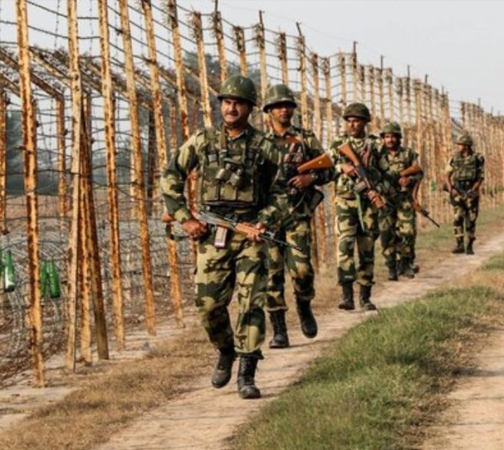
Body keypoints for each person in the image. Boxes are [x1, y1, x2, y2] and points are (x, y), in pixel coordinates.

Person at [160, 74, 287, 399]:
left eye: (238, 103)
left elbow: (282, 192)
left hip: (250, 236)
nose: (231, 108)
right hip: (212, 233)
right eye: (227, 102)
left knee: (251, 302)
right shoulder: (203, 140)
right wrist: (186, 218)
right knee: (208, 305)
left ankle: (247, 372)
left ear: (250, 108)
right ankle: (226, 349)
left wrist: (263, 222)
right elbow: (171, 175)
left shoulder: (264, 146)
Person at [261, 84, 333, 348]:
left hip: (297, 214)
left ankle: (304, 304)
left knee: (302, 270)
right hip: (268, 218)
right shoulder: (259, 142)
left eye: (287, 105)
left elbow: (329, 169)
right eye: (278, 106)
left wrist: (310, 177)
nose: (283, 109)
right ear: (269, 110)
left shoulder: (305, 138)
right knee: (272, 274)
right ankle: (279, 329)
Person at [327, 103, 387, 311]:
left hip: (368, 204)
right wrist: (341, 167)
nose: (352, 125)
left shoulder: (376, 145)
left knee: (367, 249)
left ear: (365, 123)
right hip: (345, 201)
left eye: (357, 121)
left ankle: (365, 297)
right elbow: (325, 170)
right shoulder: (338, 143)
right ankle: (347, 296)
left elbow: (386, 174)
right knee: (344, 247)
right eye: (349, 121)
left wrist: (376, 190)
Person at [377, 121, 422, 280]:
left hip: (404, 199)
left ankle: (406, 263)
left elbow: (418, 173)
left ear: (398, 138)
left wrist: (409, 180)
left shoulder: (408, 154)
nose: (390, 140)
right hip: (385, 201)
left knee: (408, 232)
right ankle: (391, 267)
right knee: (386, 235)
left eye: (393, 136)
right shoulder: (377, 154)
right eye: (387, 137)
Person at [444, 133, 484, 255]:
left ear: (466, 146)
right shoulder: (454, 158)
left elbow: (480, 177)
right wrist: (451, 188)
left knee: (471, 220)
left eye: (460, 144)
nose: (457, 147)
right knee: (457, 218)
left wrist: (473, 189)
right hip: (458, 191)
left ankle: (470, 244)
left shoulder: (478, 158)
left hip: (471, 192)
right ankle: (459, 244)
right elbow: (447, 175)